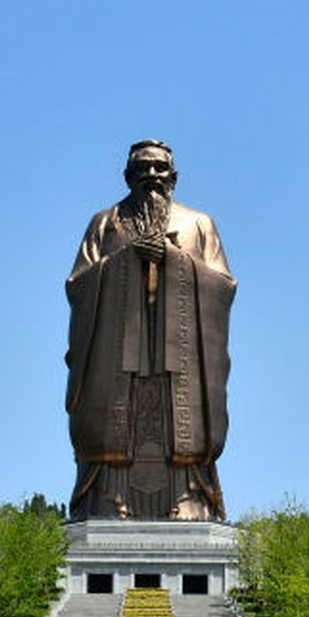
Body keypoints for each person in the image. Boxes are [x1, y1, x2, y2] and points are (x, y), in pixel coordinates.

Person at [65, 140, 237, 520]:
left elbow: (223, 285)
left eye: (160, 168)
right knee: (115, 420)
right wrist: (125, 260)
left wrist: (174, 261)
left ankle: (190, 499)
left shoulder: (198, 224)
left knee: (181, 422)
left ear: (173, 176)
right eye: (143, 168)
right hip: (118, 351)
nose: (152, 176)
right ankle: (109, 499)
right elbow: (78, 284)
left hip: (181, 354)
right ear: (128, 176)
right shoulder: (105, 223)